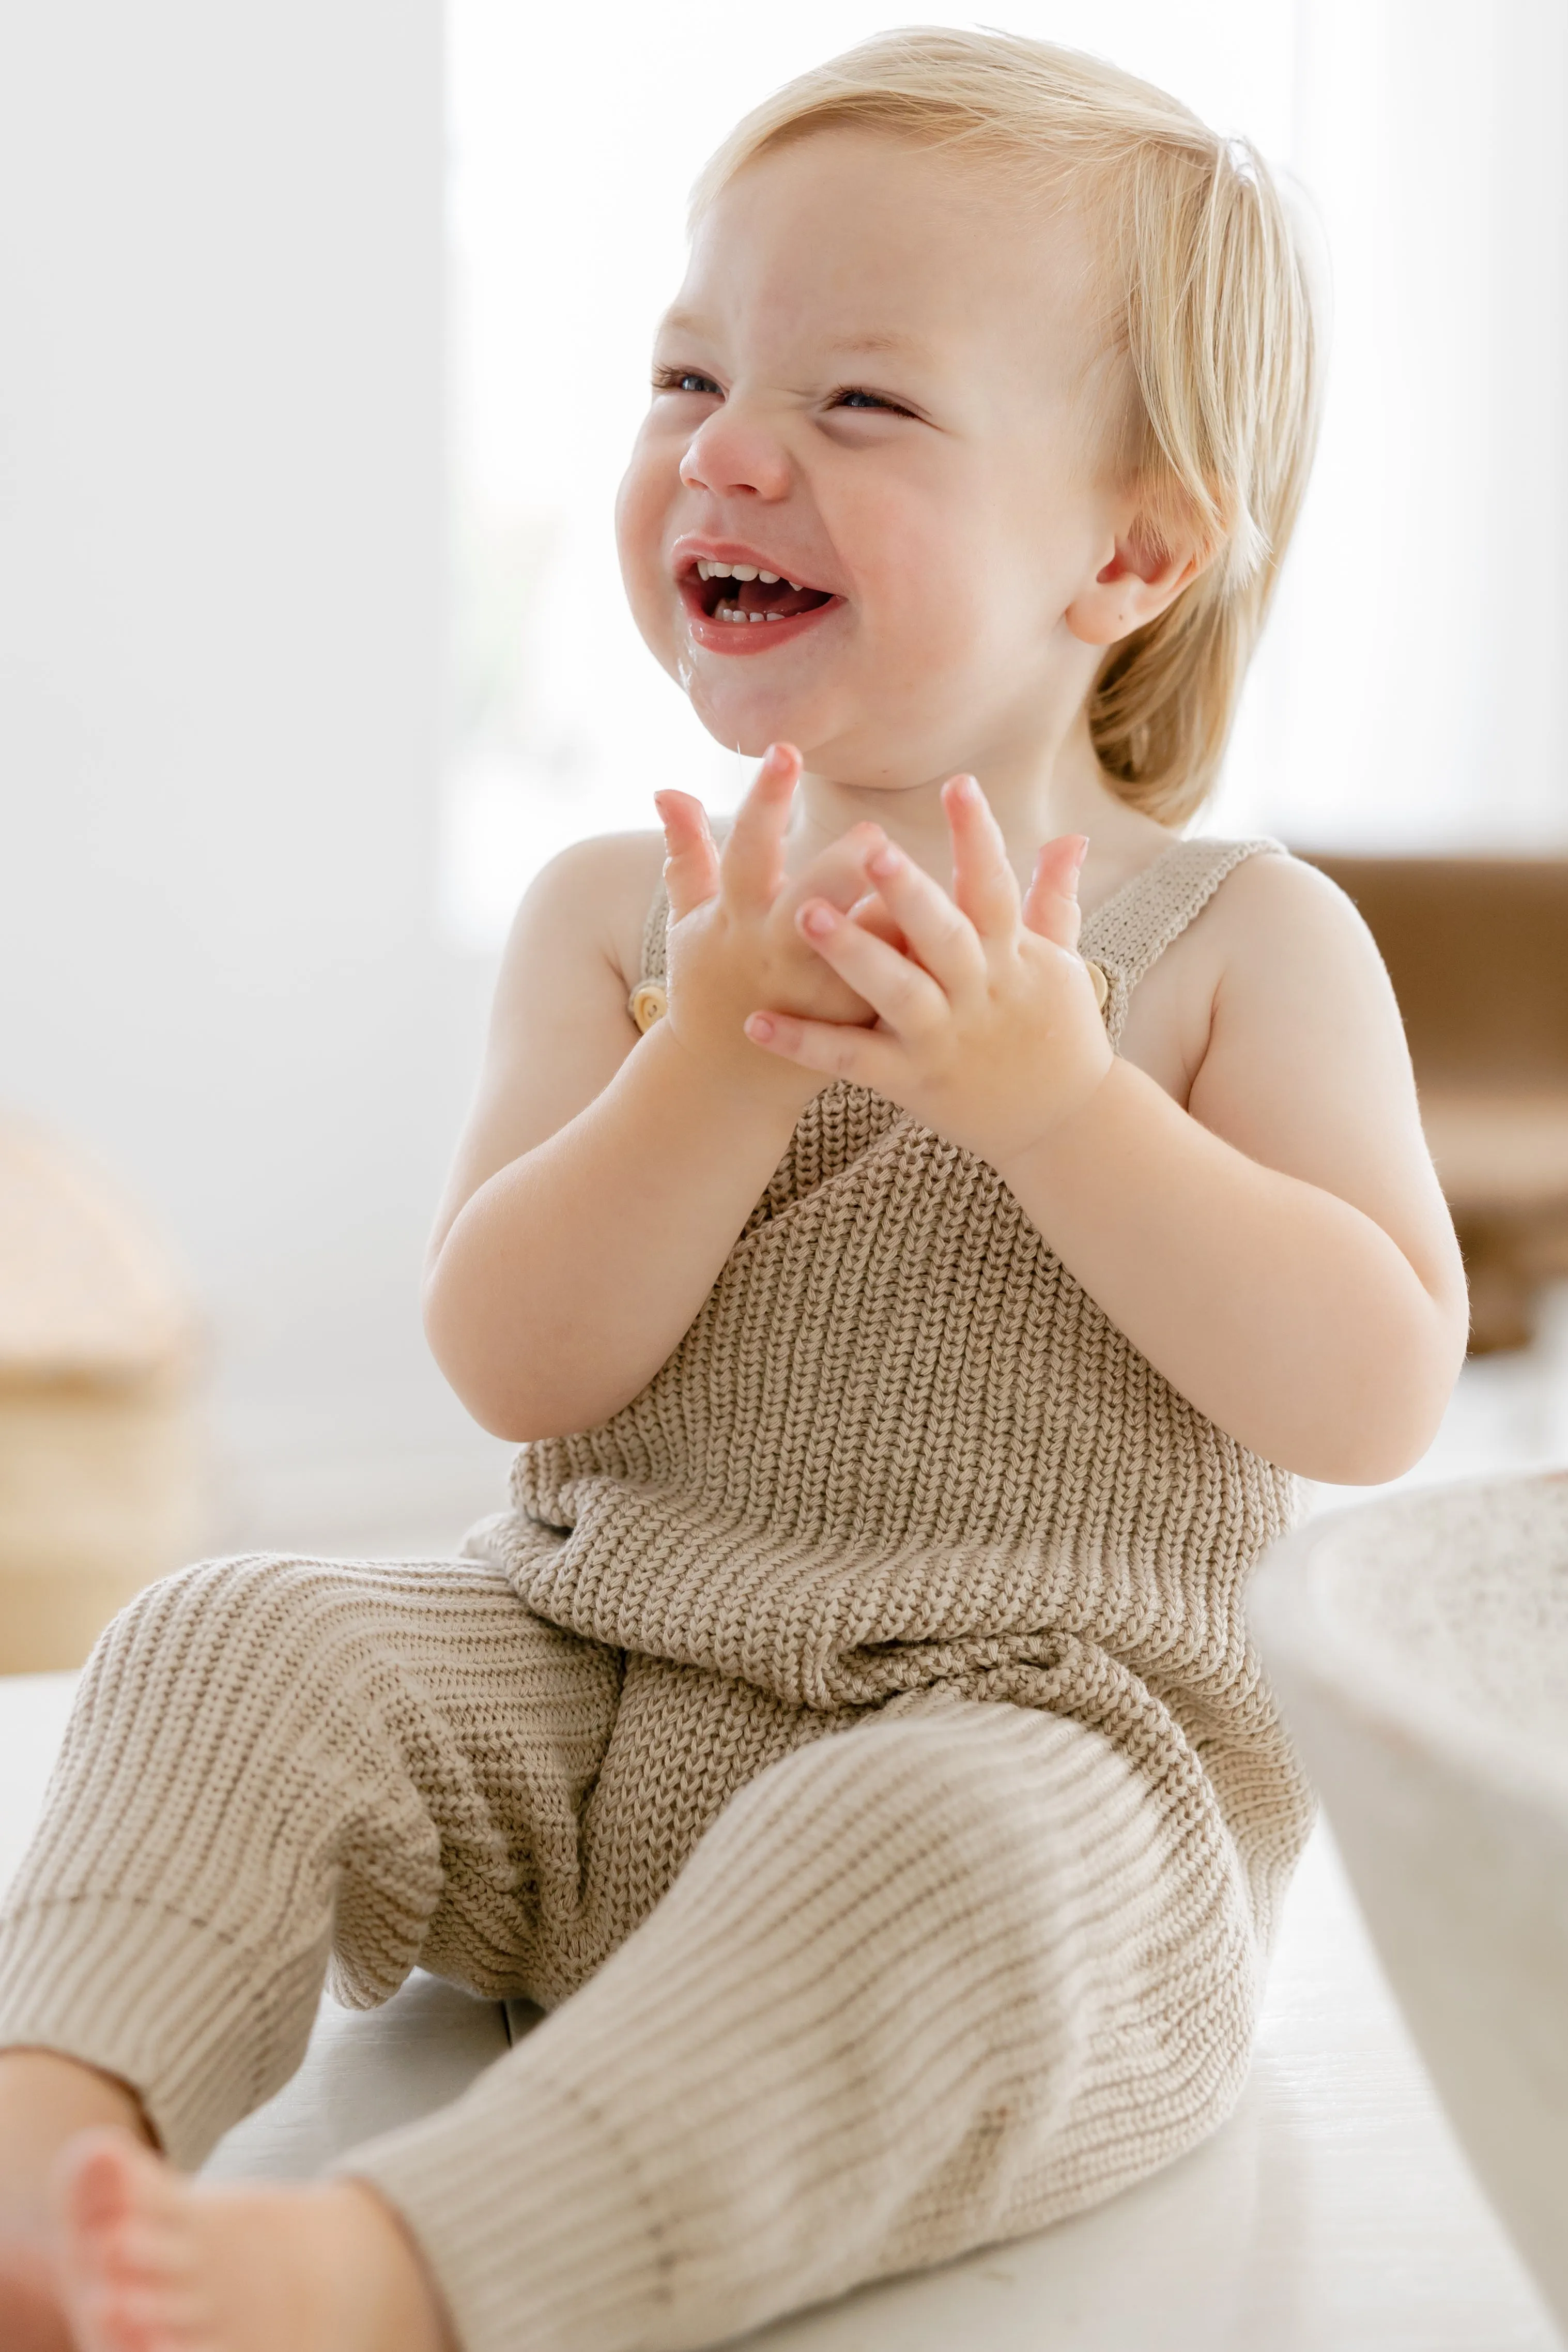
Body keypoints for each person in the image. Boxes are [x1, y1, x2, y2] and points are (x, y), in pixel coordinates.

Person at [0, 28, 1468, 2352]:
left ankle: (407, 2268)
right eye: (687, 371)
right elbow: (513, 1355)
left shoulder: (1232, 948)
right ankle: (47, 2132)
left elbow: (1373, 1388)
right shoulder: (621, 916)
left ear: (1131, 547)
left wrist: (1055, 1104)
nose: (727, 449)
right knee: (231, 1629)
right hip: (591, 1702)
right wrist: (706, 1057)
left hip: (1032, 1762)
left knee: (943, 1848)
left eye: (860, 405)